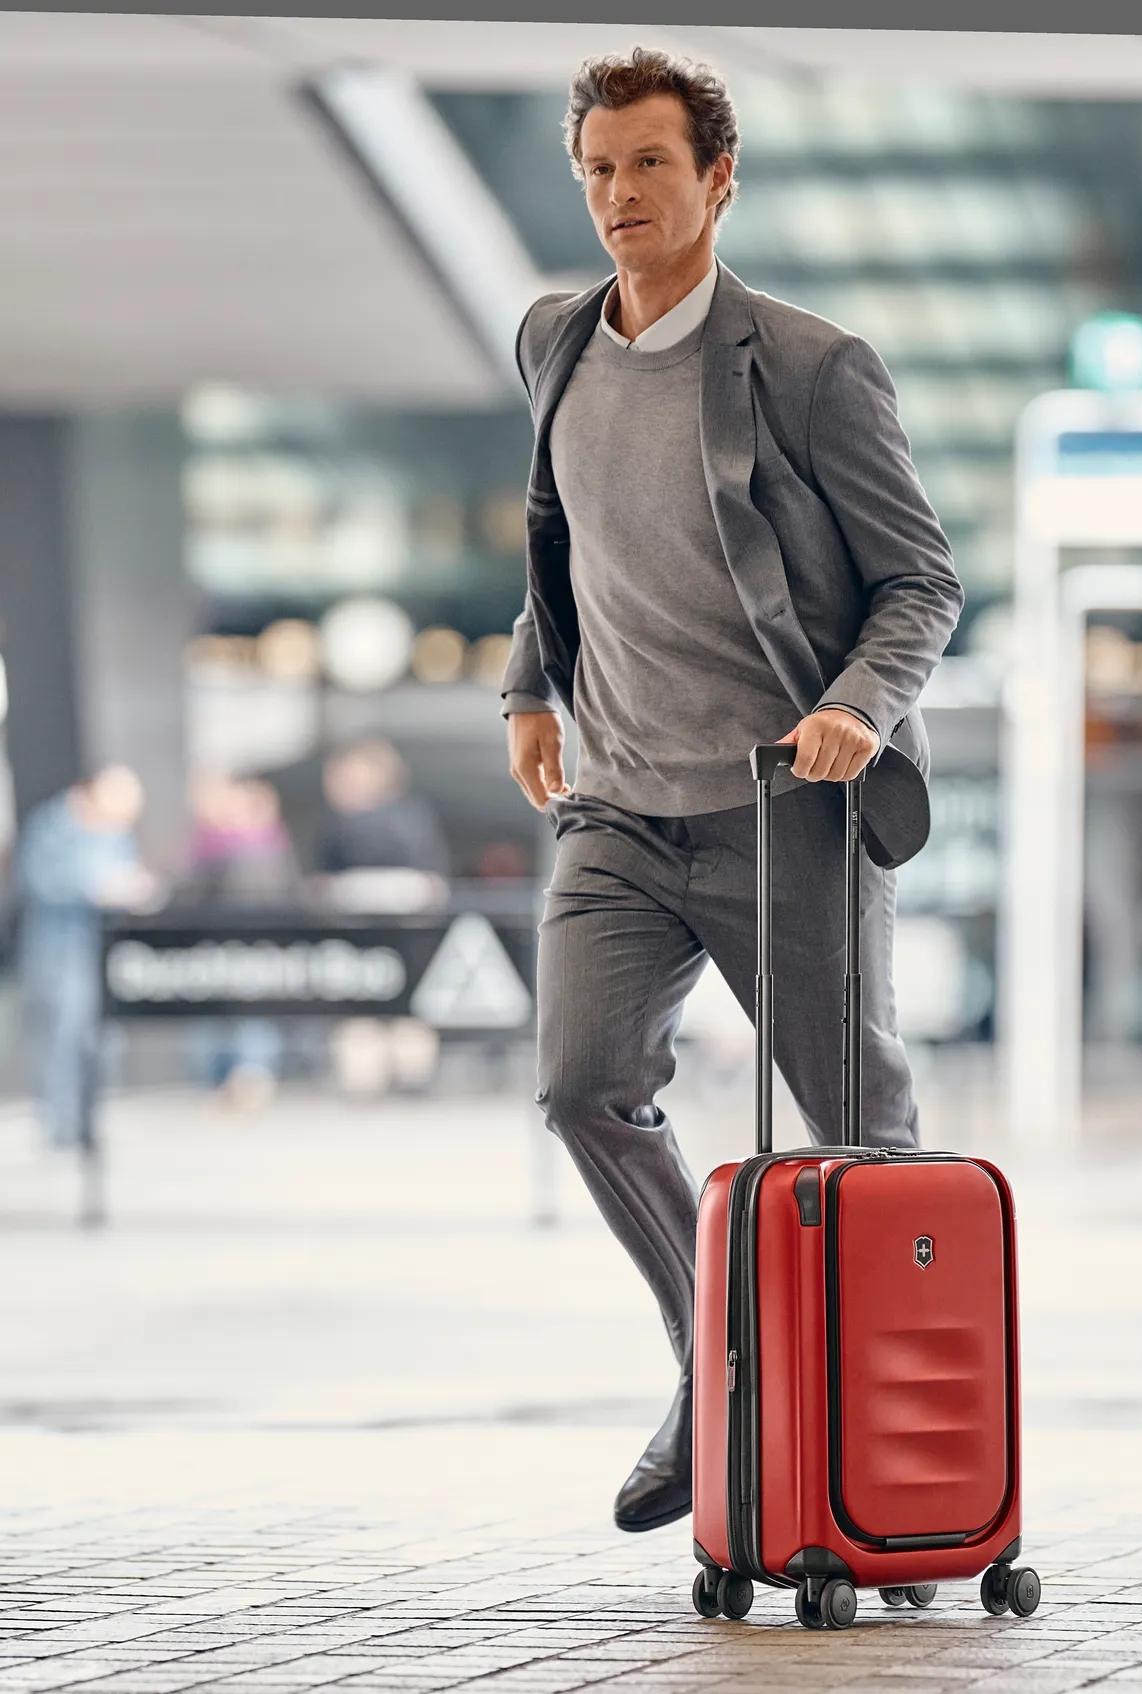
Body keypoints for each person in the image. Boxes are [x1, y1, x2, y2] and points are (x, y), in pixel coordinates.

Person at [497, 47, 961, 1534]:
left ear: (718, 177)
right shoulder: (553, 341)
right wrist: (527, 681)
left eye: (647, 164)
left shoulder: (813, 369)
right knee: (582, 1086)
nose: (619, 195)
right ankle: (720, 1360)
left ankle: (887, 1475)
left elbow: (921, 581)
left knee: (858, 1139)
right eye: (598, 169)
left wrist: (854, 706)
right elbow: (560, 541)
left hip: (785, 812)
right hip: (621, 807)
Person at [15, 764, 156, 1152]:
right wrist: (93, 888)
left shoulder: (115, 835)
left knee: (102, 1040)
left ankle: (88, 1122)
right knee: (62, 1036)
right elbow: (39, 882)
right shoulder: (52, 826)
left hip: (102, 949)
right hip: (59, 950)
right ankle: (59, 1125)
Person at [313, 738, 449, 1097]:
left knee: (401, 1007)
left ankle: (406, 1073)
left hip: (401, 940)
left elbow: (430, 881)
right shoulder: (341, 822)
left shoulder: (400, 819)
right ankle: (372, 1076)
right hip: (361, 946)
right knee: (363, 1012)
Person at [179, 770, 307, 1111]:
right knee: (230, 1018)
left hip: (241, 946)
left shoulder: (249, 847)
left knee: (250, 1017)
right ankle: (230, 1082)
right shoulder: (216, 844)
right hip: (226, 947)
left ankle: (247, 1081)